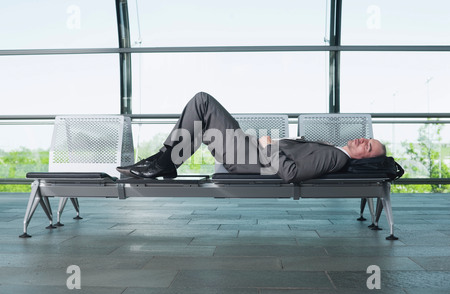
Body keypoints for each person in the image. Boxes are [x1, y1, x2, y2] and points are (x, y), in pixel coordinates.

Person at [117, 92, 386, 183]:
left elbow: (291, 173)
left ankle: (164, 161)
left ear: (367, 159)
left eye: (369, 146)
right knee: (200, 117)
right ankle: (164, 161)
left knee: (202, 103)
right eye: (367, 139)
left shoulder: (335, 157)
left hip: (248, 158)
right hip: (248, 151)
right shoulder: (334, 150)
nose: (364, 140)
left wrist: (269, 147)